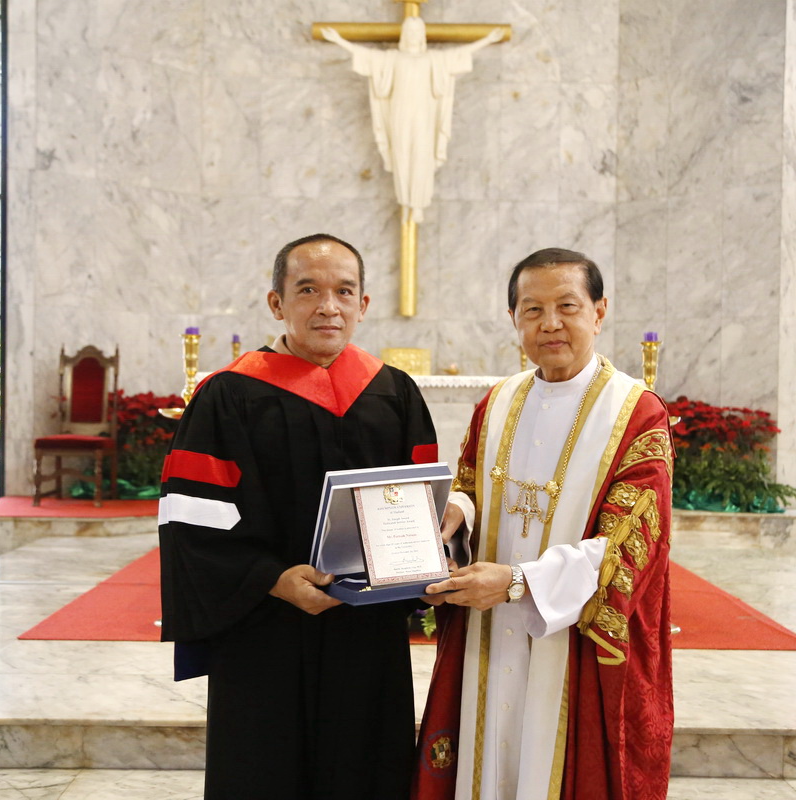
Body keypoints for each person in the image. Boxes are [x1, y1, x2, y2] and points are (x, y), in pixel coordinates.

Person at [158, 233, 439, 800]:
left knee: (365, 766)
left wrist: (420, 562)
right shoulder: (227, 395)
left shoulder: (395, 393)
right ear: (277, 302)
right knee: (266, 769)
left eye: (344, 291)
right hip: (265, 628)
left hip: (365, 629)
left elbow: (418, 505)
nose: (328, 306)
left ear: (363, 304)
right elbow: (191, 522)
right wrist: (272, 579)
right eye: (308, 289)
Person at [412, 248, 674, 800]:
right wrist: (457, 512)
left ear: (599, 312)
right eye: (532, 309)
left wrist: (517, 583)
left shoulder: (636, 412)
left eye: (567, 306)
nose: (549, 323)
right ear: (514, 318)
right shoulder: (497, 402)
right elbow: (472, 485)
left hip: (566, 638)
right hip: (488, 631)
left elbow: (626, 549)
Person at [320, 18, 505, 224]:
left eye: (417, 31)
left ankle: (418, 203)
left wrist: (487, 40)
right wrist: (338, 40)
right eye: (410, 31)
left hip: (424, 116)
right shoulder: (393, 59)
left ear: (422, 35)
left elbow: (458, 54)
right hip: (400, 115)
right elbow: (368, 56)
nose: (413, 35)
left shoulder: (433, 59)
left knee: (421, 157)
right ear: (404, 34)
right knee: (402, 156)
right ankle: (405, 200)